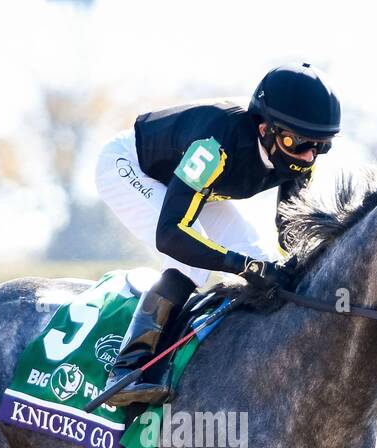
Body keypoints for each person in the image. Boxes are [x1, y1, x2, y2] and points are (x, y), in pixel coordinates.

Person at [94, 63, 341, 405]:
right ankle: (125, 371)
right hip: (132, 166)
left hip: (194, 185)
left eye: (321, 145)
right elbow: (171, 235)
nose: (309, 155)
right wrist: (244, 268)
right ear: (266, 129)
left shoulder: (300, 157)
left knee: (261, 254)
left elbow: (290, 234)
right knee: (193, 263)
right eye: (298, 142)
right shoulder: (214, 146)